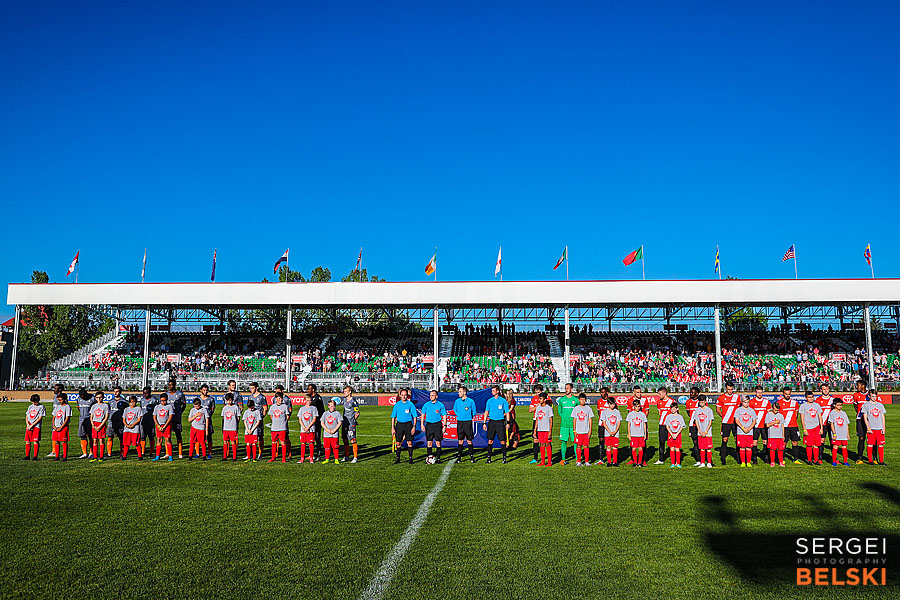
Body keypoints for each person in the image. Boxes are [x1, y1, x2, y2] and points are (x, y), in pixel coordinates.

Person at [483, 385, 511, 464]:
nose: (492, 392)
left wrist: (508, 422)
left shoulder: (503, 401)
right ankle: (489, 458)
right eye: (492, 391)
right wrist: (484, 422)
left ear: (498, 391)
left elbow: (507, 412)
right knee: (490, 440)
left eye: (494, 391)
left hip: (500, 422)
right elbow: (486, 412)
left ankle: (504, 458)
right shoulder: (489, 401)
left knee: (502, 441)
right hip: (492, 422)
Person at [390, 388, 418, 464]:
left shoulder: (410, 404)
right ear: (400, 396)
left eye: (405, 395)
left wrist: (414, 426)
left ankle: (410, 458)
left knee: (409, 442)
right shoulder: (397, 405)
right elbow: (393, 417)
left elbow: (415, 416)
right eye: (402, 395)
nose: (404, 396)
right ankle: (398, 458)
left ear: (407, 396)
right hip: (399, 425)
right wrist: (393, 427)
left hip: (408, 425)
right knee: (398, 443)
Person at [716, 382, 741, 465]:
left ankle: (738, 459)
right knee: (725, 440)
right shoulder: (721, 397)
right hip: (726, 422)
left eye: (731, 389)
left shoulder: (737, 397)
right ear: (726, 388)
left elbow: (739, 408)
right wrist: (723, 416)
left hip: (735, 422)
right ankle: (723, 459)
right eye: (728, 389)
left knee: (737, 439)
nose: (730, 391)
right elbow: (718, 410)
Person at [420, 390, 448, 463]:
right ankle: (429, 458)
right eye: (430, 395)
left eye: (433, 395)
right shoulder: (426, 405)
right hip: (429, 425)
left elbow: (444, 415)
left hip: (437, 425)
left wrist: (445, 425)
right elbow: (422, 414)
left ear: (436, 396)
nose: (431, 397)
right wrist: (422, 424)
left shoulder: (440, 405)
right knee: (429, 442)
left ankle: (438, 459)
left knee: (438, 442)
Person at [778, 386, 803, 465]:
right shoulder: (779, 403)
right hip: (784, 426)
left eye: (789, 394)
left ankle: (795, 459)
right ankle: (783, 459)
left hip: (794, 426)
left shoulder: (795, 403)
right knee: (784, 442)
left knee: (795, 442)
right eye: (786, 394)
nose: (788, 395)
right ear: (783, 394)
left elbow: (796, 414)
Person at [861, 389, 886, 465]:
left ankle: (881, 461)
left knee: (880, 444)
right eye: (872, 396)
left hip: (879, 428)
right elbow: (865, 417)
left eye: (875, 396)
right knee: (870, 444)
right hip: (871, 428)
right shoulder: (866, 405)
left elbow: (883, 417)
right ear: (869, 396)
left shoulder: (880, 405)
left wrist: (883, 428)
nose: (874, 398)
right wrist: (868, 428)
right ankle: (870, 460)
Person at [626, 385, 650, 465]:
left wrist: (643, 419)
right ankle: (633, 459)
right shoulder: (630, 401)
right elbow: (629, 413)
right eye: (637, 392)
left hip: (641, 423)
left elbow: (647, 410)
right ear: (634, 393)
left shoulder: (644, 400)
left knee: (643, 442)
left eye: (640, 392)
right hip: (634, 425)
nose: (639, 394)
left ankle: (643, 460)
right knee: (633, 444)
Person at [799, 390, 824, 465]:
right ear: (806, 398)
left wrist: (821, 428)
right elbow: (802, 418)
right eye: (809, 397)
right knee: (809, 445)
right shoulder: (803, 406)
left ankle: (816, 460)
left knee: (816, 444)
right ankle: (809, 460)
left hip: (816, 427)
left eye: (812, 397)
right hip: (808, 428)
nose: (811, 398)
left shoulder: (817, 405)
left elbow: (820, 417)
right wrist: (804, 429)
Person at [453, 385, 476, 463]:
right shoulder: (457, 401)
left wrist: (468, 417)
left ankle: (472, 457)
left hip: (468, 422)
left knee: (469, 440)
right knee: (460, 440)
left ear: (464, 392)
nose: (458, 393)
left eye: (460, 391)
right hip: (460, 422)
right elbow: (455, 410)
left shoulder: (471, 401)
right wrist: (460, 415)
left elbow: (474, 411)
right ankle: (459, 457)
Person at [690, 396, 715, 468]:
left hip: (708, 433)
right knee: (702, 448)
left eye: (702, 402)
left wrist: (706, 431)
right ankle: (703, 462)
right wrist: (700, 431)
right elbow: (696, 421)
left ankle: (709, 462)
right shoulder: (697, 410)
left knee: (708, 448)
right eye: (700, 402)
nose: (701, 404)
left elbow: (710, 421)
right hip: (700, 433)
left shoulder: (709, 410)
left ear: (705, 402)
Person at [652, 387, 676, 465]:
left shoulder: (672, 401)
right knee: (661, 442)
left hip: (670, 425)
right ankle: (661, 459)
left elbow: (676, 413)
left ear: (664, 393)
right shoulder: (659, 402)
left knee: (672, 442)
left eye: (660, 394)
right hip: (662, 425)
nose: (659, 395)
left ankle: (675, 460)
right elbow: (660, 413)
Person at [556, 383, 578, 465]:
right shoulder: (562, 400)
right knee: (563, 441)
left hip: (573, 425)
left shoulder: (576, 400)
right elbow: (559, 411)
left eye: (568, 388)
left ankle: (577, 458)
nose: (566, 390)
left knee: (575, 441)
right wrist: (564, 417)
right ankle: (563, 458)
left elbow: (579, 411)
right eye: (565, 388)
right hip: (564, 425)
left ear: (571, 389)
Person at [749, 385, 770, 465]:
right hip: (755, 426)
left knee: (765, 442)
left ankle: (766, 458)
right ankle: (754, 459)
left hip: (764, 426)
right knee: (755, 442)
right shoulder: (752, 402)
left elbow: (768, 413)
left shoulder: (766, 402)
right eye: (758, 393)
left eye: (761, 392)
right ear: (755, 392)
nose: (759, 394)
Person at [571, 393, 594, 466]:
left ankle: (586, 461)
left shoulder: (588, 409)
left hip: (586, 431)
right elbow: (574, 420)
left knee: (586, 446)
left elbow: (590, 420)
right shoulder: (576, 409)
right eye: (581, 399)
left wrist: (590, 430)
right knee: (578, 446)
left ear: (586, 400)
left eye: (584, 399)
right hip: (578, 431)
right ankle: (578, 461)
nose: (582, 401)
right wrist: (574, 431)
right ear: (579, 400)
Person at [166, 377, 187, 459]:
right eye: (169, 385)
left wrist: (180, 412)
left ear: (175, 385)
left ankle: (180, 453)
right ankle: (168, 453)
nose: (170, 386)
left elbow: (184, 405)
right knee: (167, 436)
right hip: (168, 419)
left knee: (178, 435)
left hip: (177, 418)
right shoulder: (166, 394)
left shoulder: (180, 394)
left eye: (172, 385)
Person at [815, 383, 837, 461]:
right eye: (824, 389)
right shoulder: (818, 400)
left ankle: (834, 458)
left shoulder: (832, 400)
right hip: (822, 424)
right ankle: (820, 458)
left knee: (833, 441)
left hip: (831, 424)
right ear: (821, 390)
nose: (825, 391)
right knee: (822, 440)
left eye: (827, 389)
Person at [339, 385, 360, 463]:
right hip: (344, 423)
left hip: (351, 424)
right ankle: (347, 456)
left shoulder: (353, 401)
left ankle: (355, 457)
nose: (344, 393)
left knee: (352, 440)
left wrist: (353, 420)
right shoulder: (344, 400)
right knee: (345, 440)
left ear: (350, 392)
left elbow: (357, 413)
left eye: (345, 391)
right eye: (344, 391)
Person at [267, 392, 290, 463]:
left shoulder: (285, 406)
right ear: (276, 399)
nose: (281, 400)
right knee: (273, 442)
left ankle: (284, 458)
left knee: (283, 443)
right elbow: (271, 416)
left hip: (282, 428)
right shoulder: (272, 407)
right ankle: (273, 457)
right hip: (274, 428)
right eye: (279, 398)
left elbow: (287, 416)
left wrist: (283, 423)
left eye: (281, 398)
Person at [733, 397, 756, 467]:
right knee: (742, 447)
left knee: (749, 447)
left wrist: (749, 428)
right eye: (745, 402)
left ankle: (748, 462)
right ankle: (743, 462)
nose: (746, 404)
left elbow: (754, 421)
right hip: (741, 432)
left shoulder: (752, 411)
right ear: (742, 402)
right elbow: (737, 420)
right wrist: (743, 428)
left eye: (748, 402)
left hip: (749, 432)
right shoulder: (738, 410)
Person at [827, 398, 851, 466]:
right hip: (837, 434)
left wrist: (847, 434)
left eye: (841, 405)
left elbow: (846, 424)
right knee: (835, 446)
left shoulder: (844, 413)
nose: (840, 406)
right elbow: (831, 424)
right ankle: (834, 461)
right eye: (838, 405)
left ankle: (845, 461)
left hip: (843, 433)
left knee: (844, 447)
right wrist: (834, 433)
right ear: (834, 405)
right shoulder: (832, 413)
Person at [533, 392, 554, 467]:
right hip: (540, 430)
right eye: (539, 398)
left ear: (545, 400)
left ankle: (549, 462)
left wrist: (550, 431)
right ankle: (542, 462)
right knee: (541, 445)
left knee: (547, 444)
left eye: (541, 398)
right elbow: (537, 419)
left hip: (546, 429)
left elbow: (551, 420)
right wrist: (535, 430)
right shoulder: (538, 408)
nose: (539, 400)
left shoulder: (548, 408)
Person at [152, 393, 174, 461]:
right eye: (161, 400)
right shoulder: (157, 407)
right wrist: (158, 426)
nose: (163, 402)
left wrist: (164, 426)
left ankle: (170, 456)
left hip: (167, 425)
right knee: (159, 440)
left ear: (167, 400)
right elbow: (154, 417)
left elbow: (170, 417)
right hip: (159, 425)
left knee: (168, 440)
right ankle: (157, 456)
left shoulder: (169, 407)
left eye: (164, 400)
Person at [625, 399, 648, 467]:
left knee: (641, 448)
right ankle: (635, 462)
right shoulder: (630, 414)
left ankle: (640, 462)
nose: (637, 408)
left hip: (641, 434)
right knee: (634, 448)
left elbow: (644, 424)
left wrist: (645, 434)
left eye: (639, 406)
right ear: (633, 406)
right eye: (636, 406)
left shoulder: (642, 414)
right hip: (633, 434)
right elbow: (629, 424)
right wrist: (629, 433)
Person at [220, 393, 242, 461]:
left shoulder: (236, 407)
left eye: (230, 400)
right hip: (226, 428)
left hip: (233, 428)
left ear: (233, 400)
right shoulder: (224, 408)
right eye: (228, 400)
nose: (229, 402)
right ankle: (225, 456)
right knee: (225, 442)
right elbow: (223, 418)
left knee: (233, 442)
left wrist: (235, 425)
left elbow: (238, 417)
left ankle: (234, 457)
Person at [296, 395, 319, 464]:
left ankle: (311, 458)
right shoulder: (301, 409)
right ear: (305, 400)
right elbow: (300, 419)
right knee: (303, 443)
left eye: (310, 400)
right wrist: (304, 427)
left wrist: (308, 427)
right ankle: (302, 458)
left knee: (311, 443)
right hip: (303, 430)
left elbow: (314, 419)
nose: (309, 402)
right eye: (307, 400)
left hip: (311, 429)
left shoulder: (314, 408)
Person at [247, 381, 268, 456]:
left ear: (256, 388)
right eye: (250, 388)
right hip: (251, 420)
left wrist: (261, 417)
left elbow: (265, 408)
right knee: (251, 435)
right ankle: (251, 453)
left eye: (252, 388)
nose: (251, 390)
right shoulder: (250, 397)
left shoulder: (262, 397)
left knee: (260, 436)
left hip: (258, 421)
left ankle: (260, 453)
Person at [851, 379, 869, 464]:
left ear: (863, 386)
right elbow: (855, 406)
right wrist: (860, 414)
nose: (856, 387)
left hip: (870, 420)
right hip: (860, 420)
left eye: (858, 385)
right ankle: (860, 457)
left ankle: (874, 458)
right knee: (861, 438)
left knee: (871, 439)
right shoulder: (855, 395)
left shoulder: (869, 394)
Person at [106, 385, 127, 458]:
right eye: (114, 391)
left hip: (120, 423)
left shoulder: (124, 402)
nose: (115, 393)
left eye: (117, 391)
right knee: (110, 437)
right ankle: (109, 454)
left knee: (121, 438)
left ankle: (122, 453)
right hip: (111, 423)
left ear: (120, 392)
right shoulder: (110, 401)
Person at [76, 387, 96, 459]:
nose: (82, 398)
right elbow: (78, 407)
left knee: (91, 436)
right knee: (82, 436)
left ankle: (91, 452)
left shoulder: (92, 398)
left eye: (83, 396)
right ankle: (84, 453)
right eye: (81, 397)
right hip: (81, 419)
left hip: (90, 420)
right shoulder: (78, 399)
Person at [600, 397, 621, 467]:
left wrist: (615, 431)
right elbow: (604, 423)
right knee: (608, 447)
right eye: (611, 404)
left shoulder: (617, 412)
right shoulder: (605, 412)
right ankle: (609, 462)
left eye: (613, 404)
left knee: (615, 447)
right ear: (608, 404)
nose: (612, 405)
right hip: (607, 433)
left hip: (616, 433)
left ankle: (615, 462)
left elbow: (619, 422)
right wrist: (609, 431)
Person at [320, 399, 343, 464]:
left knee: (335, 446)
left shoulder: (337, 413)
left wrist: (334, 430)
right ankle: (327, 459)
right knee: (327, 447)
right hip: (326, 434)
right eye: (331, 406)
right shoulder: (325, 413)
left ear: (335, 406)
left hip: (334, 434)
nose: (332, 407)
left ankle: (336, 459)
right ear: (328, 406)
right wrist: (327, 429)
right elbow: (322, 423)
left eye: (333, 406)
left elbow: (340, 422)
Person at [24, 394, 46, 460]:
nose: (34, 403)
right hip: (29, 425)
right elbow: (27, 415)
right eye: (33, 402)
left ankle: (35, 456)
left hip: (36, 426)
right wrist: (28, 424)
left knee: (35, 441)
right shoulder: (30, 407)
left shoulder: (41, 407)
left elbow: (40, 417)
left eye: (36, 402)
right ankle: (27, 456)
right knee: (27, 440)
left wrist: (32, 425)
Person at [89, 391, 109, 463]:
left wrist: (100, 425)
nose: (99, 399)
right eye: (97, 397)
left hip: (101, 424)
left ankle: (101, 456)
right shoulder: (94, 406)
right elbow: (91, 417)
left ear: (103, 397)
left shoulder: (105, 406)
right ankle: (94, 456)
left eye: (100, 397)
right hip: (94, 424)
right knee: (94, 440)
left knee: (101, 440)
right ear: (95, 398)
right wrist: (93, 425)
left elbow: (106, 417)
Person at [50, 392, 71, 461]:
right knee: (56, 441)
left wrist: (61, 427)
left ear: (64, 399)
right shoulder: (57, 407)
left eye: (61, 400)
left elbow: (67, 418)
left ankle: (65, 456)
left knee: (64, 441)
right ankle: (57, 456)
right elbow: (54, 417)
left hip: (63, 427)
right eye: (58, 400)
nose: (59, 401)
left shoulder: (67, 407)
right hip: (56, 426)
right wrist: (54, 426)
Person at [664, 403, 686, 468]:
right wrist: (671, 433)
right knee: (672, 448)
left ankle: (678, 463)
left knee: (677, 448)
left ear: (677, 409)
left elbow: (682, 426)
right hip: (671, 434)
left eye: (674, 408)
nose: (673, 410)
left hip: (678, 434)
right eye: (671, 408)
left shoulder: (680, 417)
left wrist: (676, 434)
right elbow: (667, 426)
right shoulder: (668, 417)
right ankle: (673, 463)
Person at [685, 387, 703, 466]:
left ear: (697, 393)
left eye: (693, 392)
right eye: (690, 392)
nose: (691, 394)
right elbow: (688, 413)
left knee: (703, 443)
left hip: (701, 425)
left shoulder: (701, 402)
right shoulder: (688, 402)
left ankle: (706, 460)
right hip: (692, 425)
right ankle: (698, 460)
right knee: (695, 443)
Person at [122, 396, 144, 460]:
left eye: (134, 402)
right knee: (126, 443)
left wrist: (133, 425)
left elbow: (139, 419)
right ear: (129, 403)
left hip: (135, 429)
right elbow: (124, 419)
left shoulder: (138, 409)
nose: (132, 403)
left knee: (137, 443)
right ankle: (124, 455)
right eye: (131, 402)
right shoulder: (126, 409)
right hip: (127, 429)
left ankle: (140, 456)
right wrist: (126, 425)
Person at [46, 383, 65, 457]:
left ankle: (62, 452)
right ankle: (54, 451)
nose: (54, 390)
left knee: (61, 437)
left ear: (60, 390)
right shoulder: (55, 397)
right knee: (54, 435)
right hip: (55, 419)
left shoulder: (62, 398)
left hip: (60, 420)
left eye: (55, 388)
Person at [765, 402, 786, 467]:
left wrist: (783, 435)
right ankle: (772, 462)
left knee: (780, 449)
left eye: (778, 410)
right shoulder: (768, 415)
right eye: (775, 410)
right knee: (772, 449)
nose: (776, 411)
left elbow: (782, 425)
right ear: (772, 408)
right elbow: (767, 425)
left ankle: (781, 462)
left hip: (779, 435)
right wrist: (775, 422)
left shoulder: (780, 415)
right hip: (772, 435)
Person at [306, 383, 325, 458]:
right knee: (311, 437)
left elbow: (321, 410)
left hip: (317, 421)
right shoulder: (311, 397)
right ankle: (312, 454)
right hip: (311, 421)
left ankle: (318, 454)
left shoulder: (317, 398)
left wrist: (320, 420)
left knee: (317, 437)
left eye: (309, 389)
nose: (308, 390)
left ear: (313, 390)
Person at [528, 384, 545, 463]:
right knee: (535, 439)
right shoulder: (534, 399)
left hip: (544, 421)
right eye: (536, 392)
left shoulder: (547, 399)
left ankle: (548, 458)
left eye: (538, 392)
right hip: (536, 420)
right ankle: (535, 458)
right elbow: (530, 410)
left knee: (545, 440)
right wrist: (537, 407)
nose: (537, 394)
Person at [274, 385, 292, 459]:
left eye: (278, 391)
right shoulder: (274, 399)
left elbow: (290, 410)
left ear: (281, 390)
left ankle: (289, 453)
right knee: (275, 438)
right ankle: (276, 453)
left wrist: (285, 420)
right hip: (276, 422)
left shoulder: (287, 399)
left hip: (283, 423)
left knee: (285, 437)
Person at [198, 384, 216, 459]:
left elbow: (212, 409)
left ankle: (209, 453)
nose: (205, 392)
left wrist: (208, 416)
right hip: (199, 421)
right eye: (204, 390)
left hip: (208, 421)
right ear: (201, 390)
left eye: (206, 390)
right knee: (198, 437)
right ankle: (198, 453)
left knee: (209, 437)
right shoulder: (198, 399)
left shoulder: (211, 399)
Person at [139, 386, 158, 457]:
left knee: (151, 437)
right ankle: (143, 452)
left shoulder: (154, 400)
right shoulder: (142, 400)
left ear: (150, 393)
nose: (144, 395)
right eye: (143, 393)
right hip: (143, 421)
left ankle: (151, 452)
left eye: (146, 393)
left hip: (151, 422)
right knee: (142, 437)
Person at [595, 387, 610, 464]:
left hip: (610, 425)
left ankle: (610, 459)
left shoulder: (610, 401)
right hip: (601, 424)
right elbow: (599, 412)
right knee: (601, 440)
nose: (601, 394)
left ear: (607, 392)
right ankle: (601, 459)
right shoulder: (599, 401)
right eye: (601, 392)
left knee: (609, 441)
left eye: (603, 392)